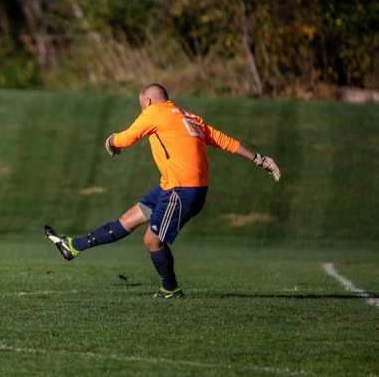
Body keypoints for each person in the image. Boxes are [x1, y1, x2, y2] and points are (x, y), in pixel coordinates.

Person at [44, 83, 281, 299]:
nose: (142, 113)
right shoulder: (190, 117)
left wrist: (111, 142)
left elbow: (126, 138)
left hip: (182, 189)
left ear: (147, 102)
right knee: (128, 220)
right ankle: (72, 246)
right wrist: (259, 159)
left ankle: (170, 289)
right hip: (173, 185)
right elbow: (223, 139)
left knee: (152, 240)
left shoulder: (154, 113)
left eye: (141, 107)